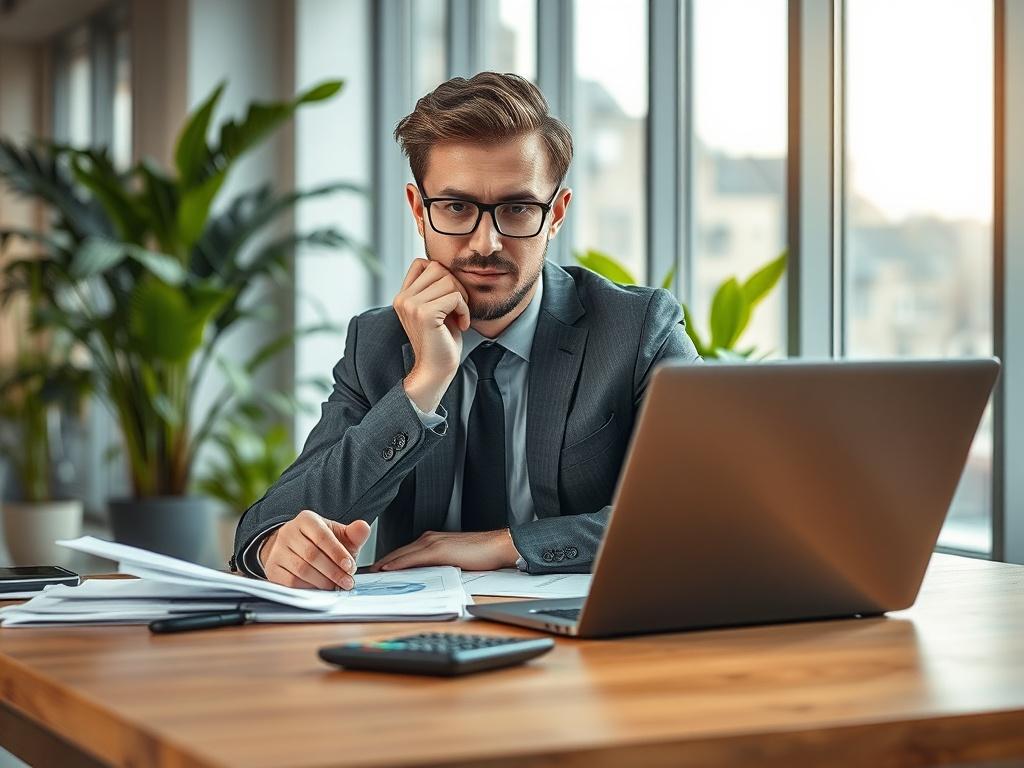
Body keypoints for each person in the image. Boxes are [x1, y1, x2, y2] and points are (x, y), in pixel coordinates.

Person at [229, 72, 700, 589]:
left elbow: (704, 507)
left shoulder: (635, 329)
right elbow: (263, 531)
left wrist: (506, 545)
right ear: (418, 209)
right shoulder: (380, 345)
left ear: (557, 213)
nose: (486, 243)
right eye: (456, 207)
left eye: (517, 209)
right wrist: (424, 383)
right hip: (413, 641)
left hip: (584, 640)